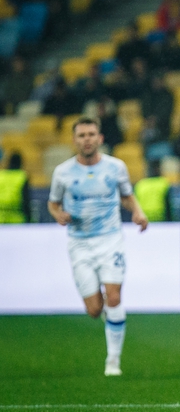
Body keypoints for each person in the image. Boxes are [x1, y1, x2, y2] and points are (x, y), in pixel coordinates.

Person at [48, 117, 149, 377]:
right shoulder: (62, 172)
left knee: (113, 297)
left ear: (100, 138)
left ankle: (113, 361)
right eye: (82, 135)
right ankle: (109, 317)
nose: (87, 139)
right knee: (94, 310)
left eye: (91, 134)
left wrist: (138, 212)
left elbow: (127, 196)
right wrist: (58, 215)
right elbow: (53, 203)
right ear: (74, 140)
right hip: (79, 243)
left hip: (110, 239)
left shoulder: (116, 167)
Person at [0, 152, 31, 223]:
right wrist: (28, 217)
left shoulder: (1, 175)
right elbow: (25, 199)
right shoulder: (22, 176)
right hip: (17, 217)